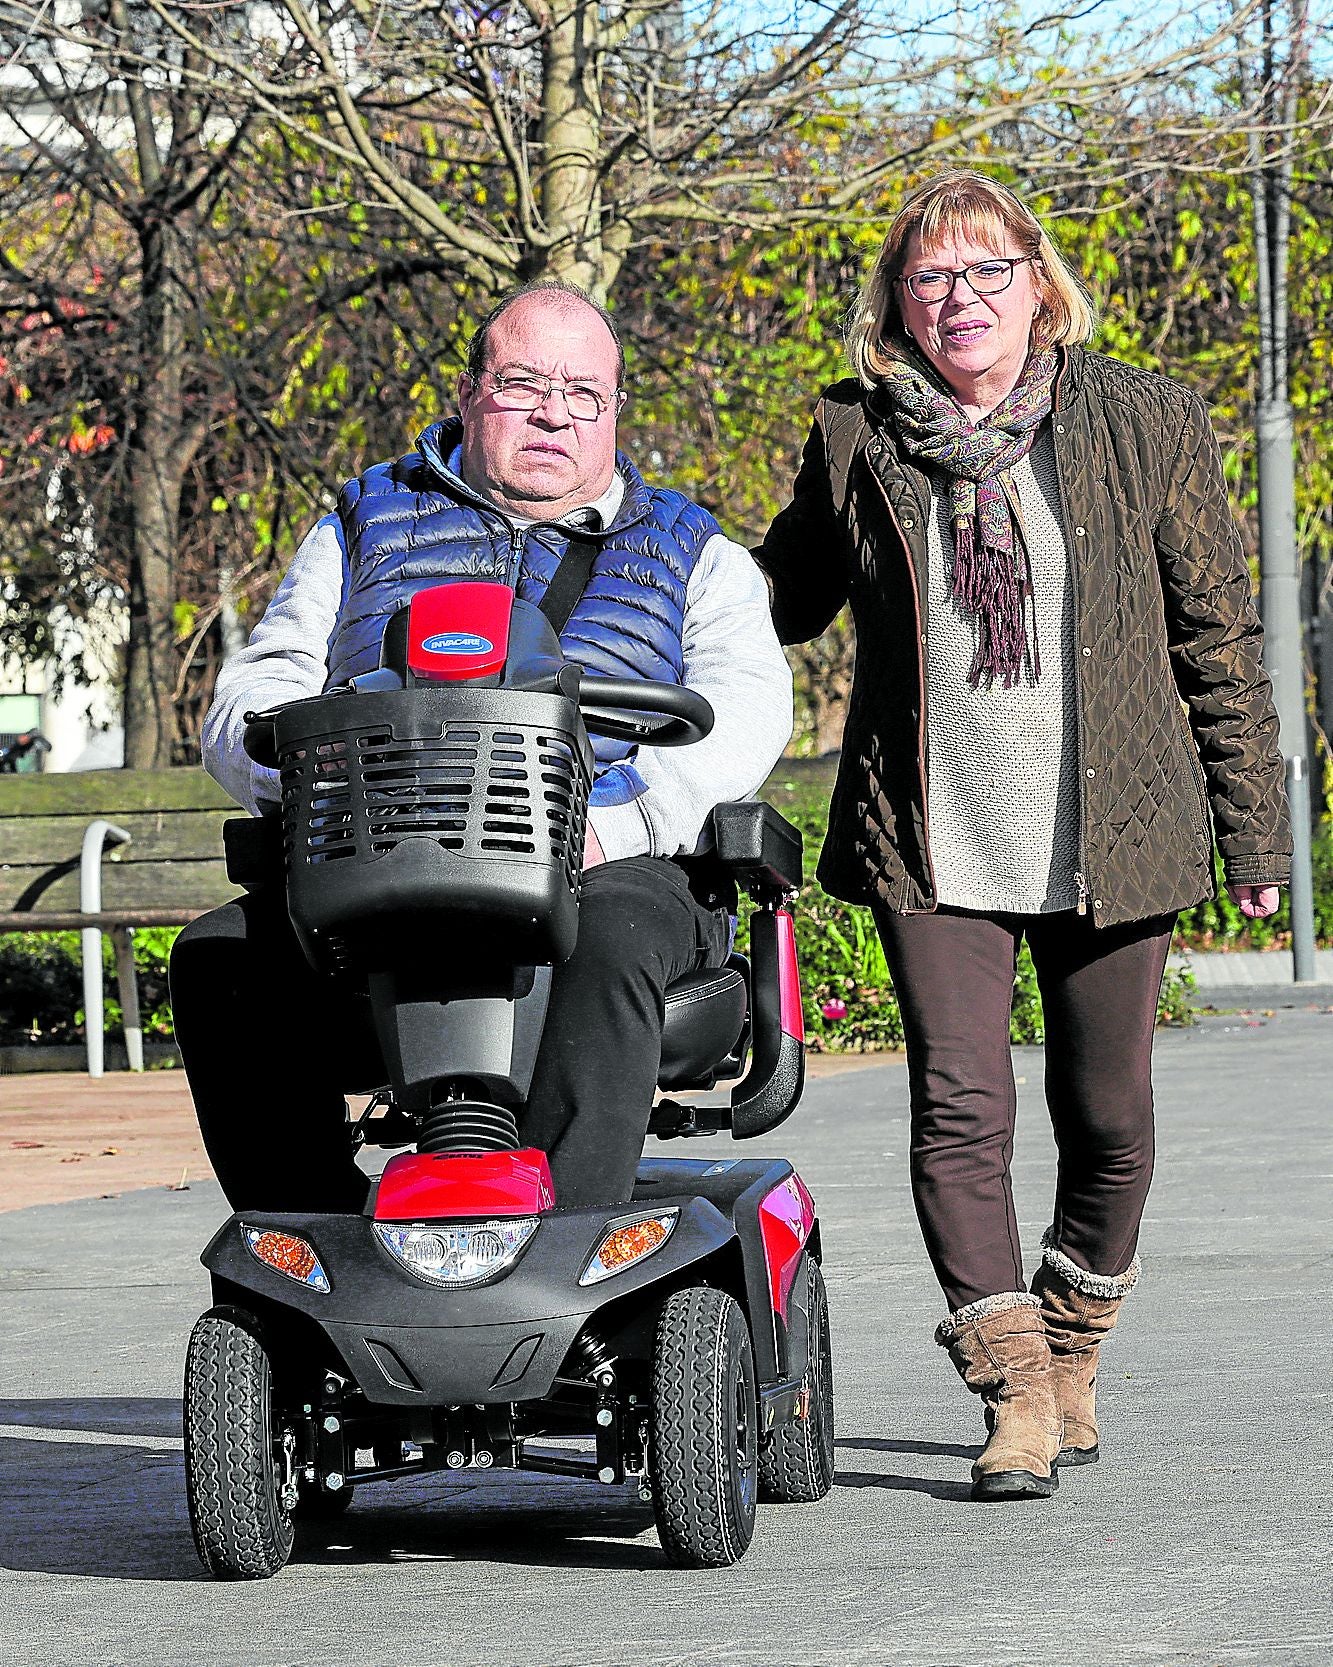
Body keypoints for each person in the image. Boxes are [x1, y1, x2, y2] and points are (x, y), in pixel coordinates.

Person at [754, 171, 1291, 1500]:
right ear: (897, 307)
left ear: (1041, 288)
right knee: (959, 1107)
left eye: (986, 272)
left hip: (1113, 821)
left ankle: (1069, 1340)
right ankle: (1012, 1392)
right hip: (933, 832)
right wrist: (623, 563)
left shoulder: (1146, 419)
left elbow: (1216, 639)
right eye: (931, 279)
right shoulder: (853, 439)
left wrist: (1258, 837)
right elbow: (773, 604)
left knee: (1107, 1112)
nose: (959, 300)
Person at [172, 281, 792, 1214]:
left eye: (584, 394)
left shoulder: (694, 549)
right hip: (381, 852)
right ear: (468, 393)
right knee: (221, 958)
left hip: (607, 855)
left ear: (615, 411)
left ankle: (567, 1250)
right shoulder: (362, 520)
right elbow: (257, 690)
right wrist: (310, 784)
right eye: (522, 383)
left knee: (609, 940)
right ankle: (312, 1240)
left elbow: (746, 711)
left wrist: (624, 822)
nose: (554, 413)